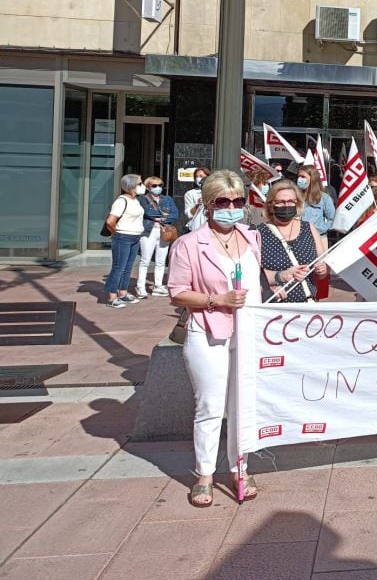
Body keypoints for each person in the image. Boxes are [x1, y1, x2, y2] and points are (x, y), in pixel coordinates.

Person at [167, 169, 261, 508]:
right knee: (210, 405)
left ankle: (241, 468)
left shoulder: (253, 237)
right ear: (208, 204)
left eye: (238, 201)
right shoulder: (188, 244)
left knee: (243, 404)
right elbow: (177, 293)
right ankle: (204, 474)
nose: (232, 207)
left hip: (248, 334)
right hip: (208, 331)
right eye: (224, 201)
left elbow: (260, 283)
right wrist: (217, 300)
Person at [260, 180, 329, 303]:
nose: (286, 205)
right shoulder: (259, 233)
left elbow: (322, 264)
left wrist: (323, 270)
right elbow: (252, 274)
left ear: (297, 203)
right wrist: (271, 284)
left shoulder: (309, 228)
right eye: (280, 202)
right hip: (275, 308)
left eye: (291, 201)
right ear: (270, 205)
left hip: (307, 306)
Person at [103, 173, 146, 308]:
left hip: (135, 236)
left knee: (127, 268)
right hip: (123, 237)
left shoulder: (136, 200)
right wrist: (116, 233)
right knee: (118, 268)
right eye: (140, 183)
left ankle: (123, 293)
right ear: (132, 186)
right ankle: (112, 298)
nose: (142, 186)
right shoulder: (121, 201)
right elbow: (110, 221)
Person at [135, 175, 179, 298]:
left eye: (160, 185)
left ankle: (158, 286)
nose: (158, 188)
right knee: (145, 260)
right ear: (148, 187)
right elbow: (148, 212)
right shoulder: (143, 199)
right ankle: (140, 286)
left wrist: (160, 218)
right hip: (149, 231)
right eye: (154, 186)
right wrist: (163, 216)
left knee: (161, 261)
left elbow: (175, 214)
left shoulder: (167, 199)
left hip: (164, 231)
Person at [297, 164, 335, 240]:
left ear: (312, 178)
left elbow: (332, 219)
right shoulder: (295, 196)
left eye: (303, 177)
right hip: (299, 239)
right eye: (298, 176)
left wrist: (319, 229)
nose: (299, 179)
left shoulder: (324, 198)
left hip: (318, 239)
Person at [184, 167, 210, 232]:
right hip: (195, 228)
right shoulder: (190, 193)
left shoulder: (215, 192)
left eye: (201, 176)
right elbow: (188, 214)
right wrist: (198, 205)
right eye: (196, 177)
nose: (198, 179)